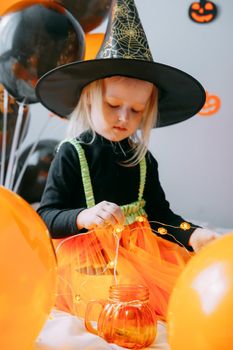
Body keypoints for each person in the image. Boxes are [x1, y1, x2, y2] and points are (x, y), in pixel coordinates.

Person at [35, 0, 220, 347]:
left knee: (179, 290)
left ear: (147, 112)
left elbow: (159, 218)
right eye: (113, 105)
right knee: (112, 302)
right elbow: (45, 217)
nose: (123, 118)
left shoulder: (143, 159)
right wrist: (83, 217)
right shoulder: (72, 154)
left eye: (136, 111)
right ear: (90, 98)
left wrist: (191, 234)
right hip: (87, 264)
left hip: (139, 257)